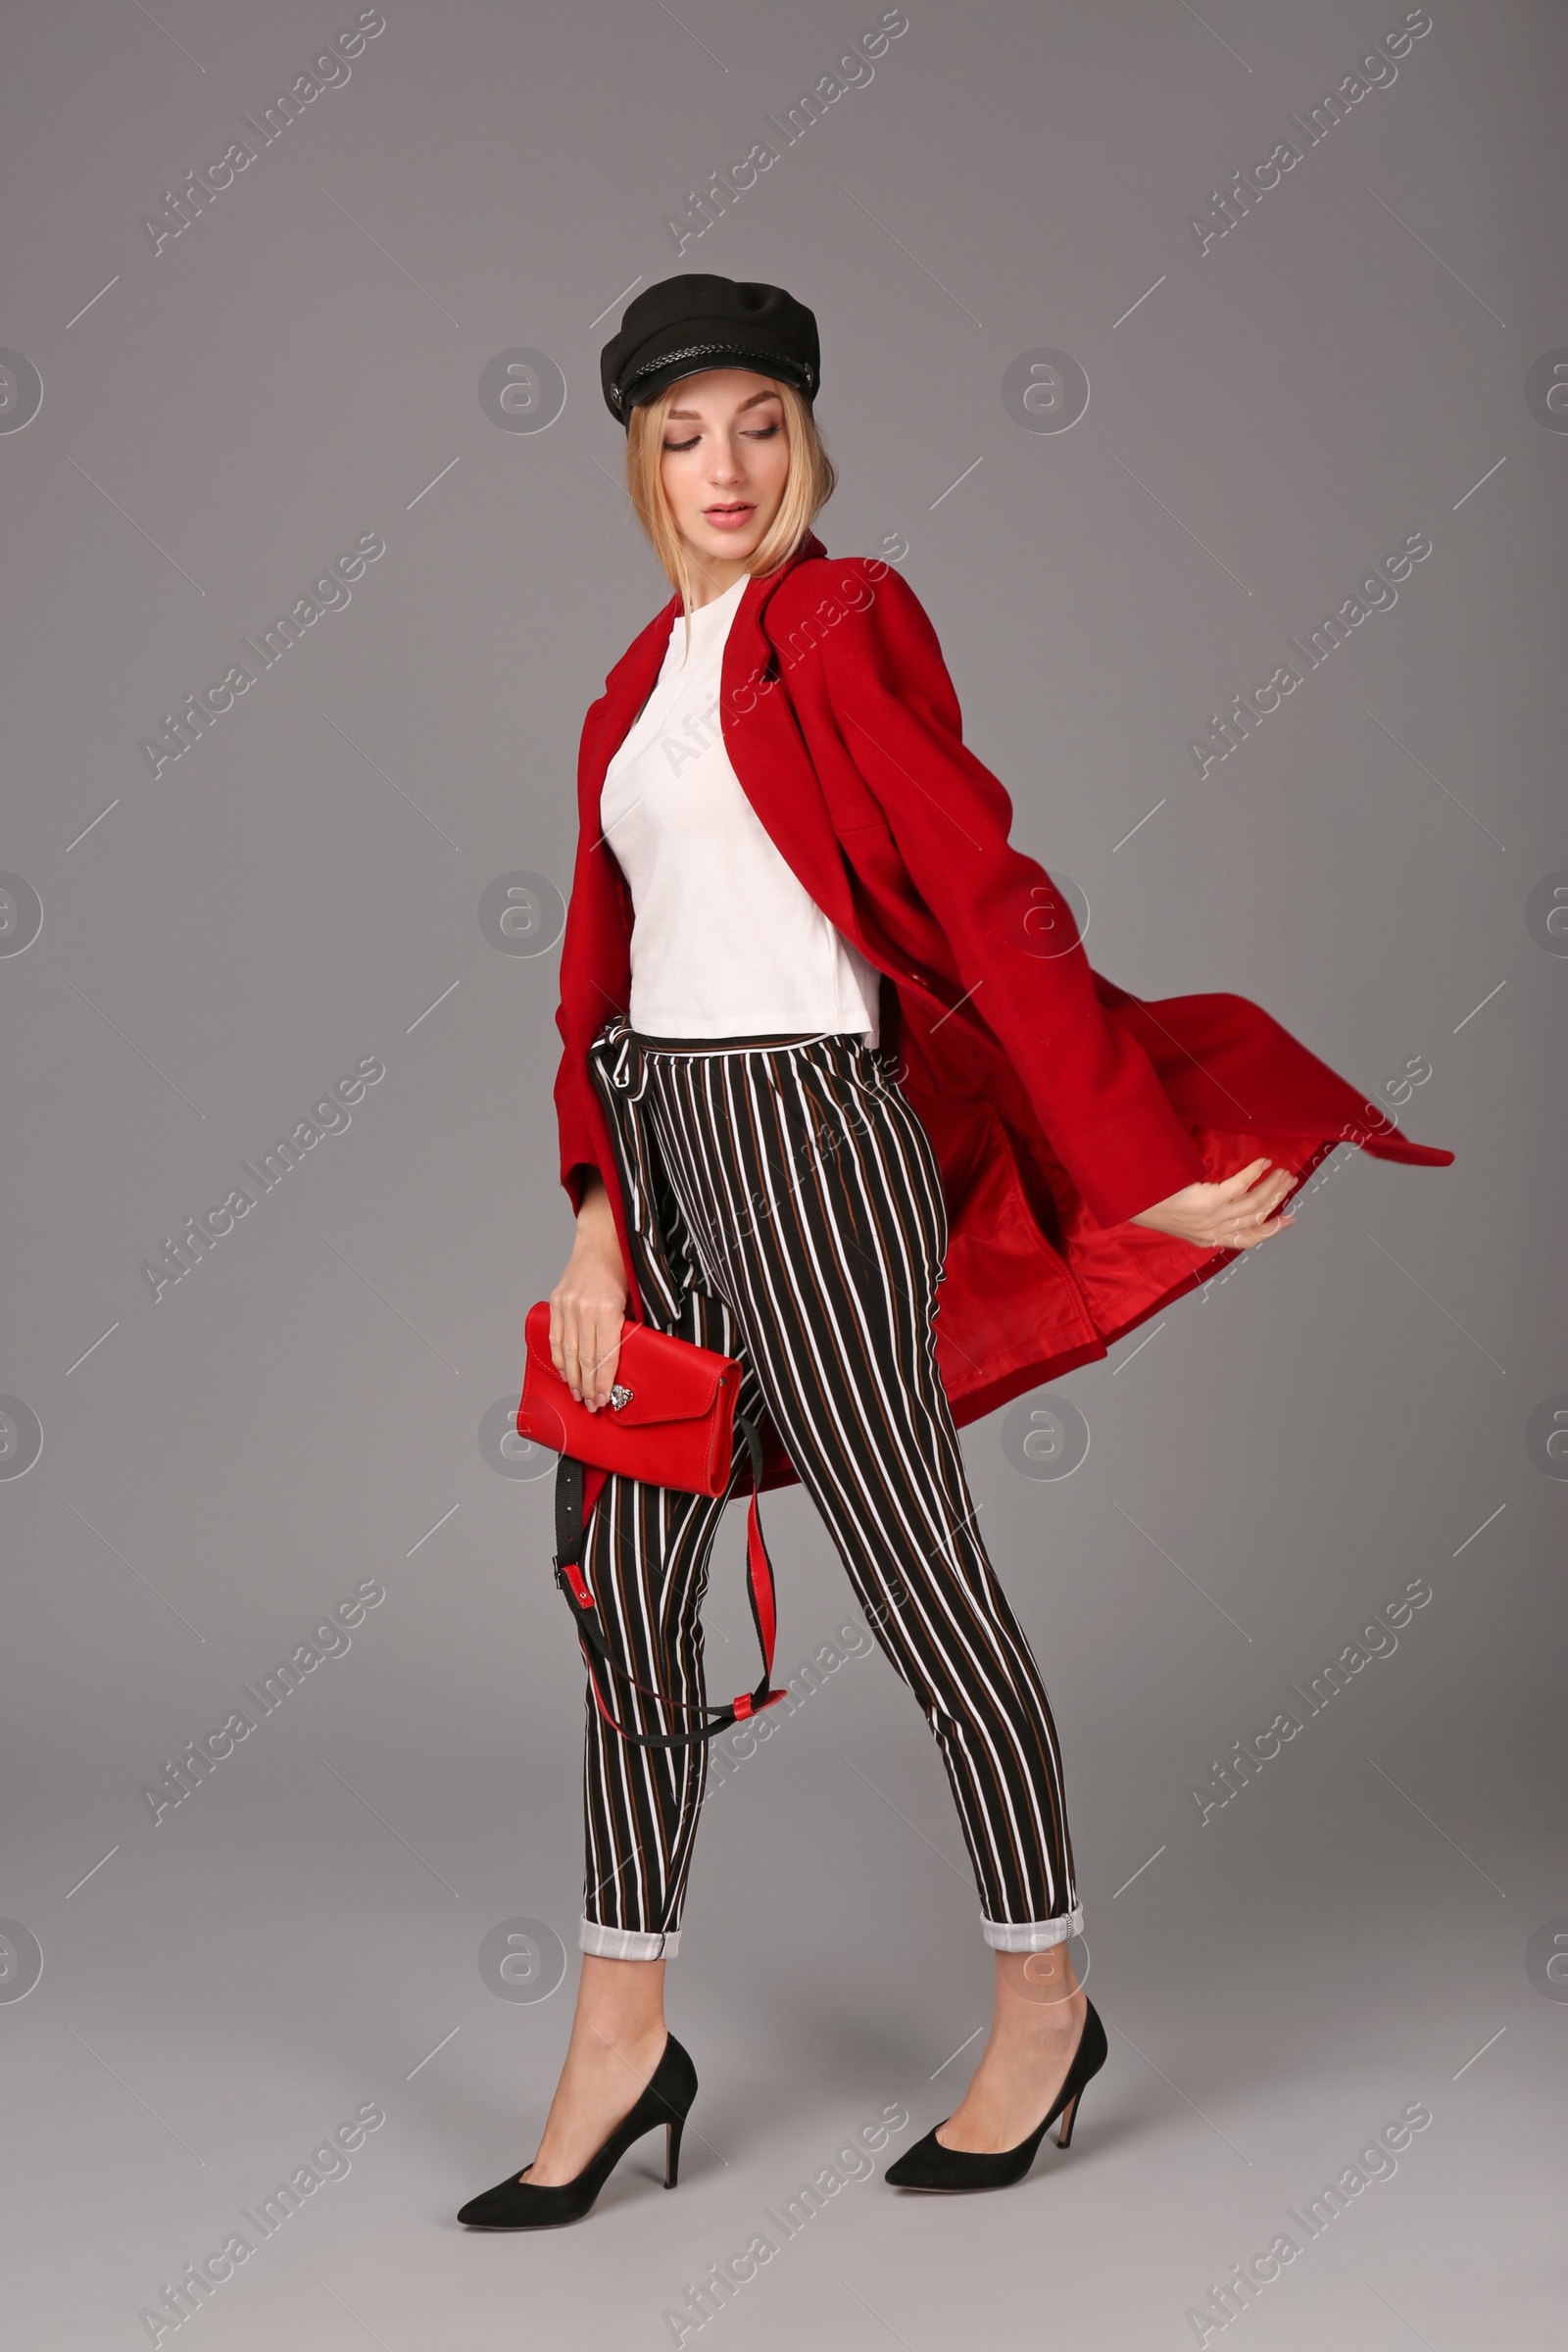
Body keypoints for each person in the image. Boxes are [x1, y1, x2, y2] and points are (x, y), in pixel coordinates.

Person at [457, 276, 1451, 2229]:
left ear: (804, 433)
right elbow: (593, 982)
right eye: (682, 433)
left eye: (758, 422)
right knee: (623, 1608)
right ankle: (614, 2044)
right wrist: (590, 1218)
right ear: (634, 458)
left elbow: (985, 897)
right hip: (658, 1163)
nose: (724, 467)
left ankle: (1041, 1999)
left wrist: (1135, 1156)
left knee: (915, 1578)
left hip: (820, 1150)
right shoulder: (624, 688)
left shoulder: (843, 616)